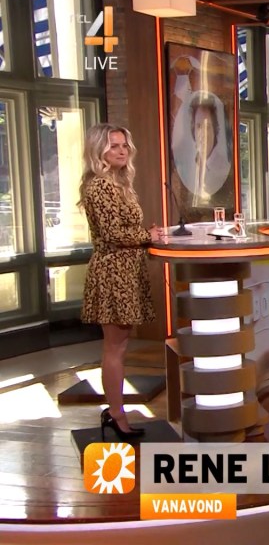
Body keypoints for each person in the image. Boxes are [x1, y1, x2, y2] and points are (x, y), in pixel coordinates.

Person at [78, 124, 165, 440]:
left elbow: (123, 229)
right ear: (99, 150)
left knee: (120, 346)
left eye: (124, 145)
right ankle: (116, 414)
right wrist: (147, 235)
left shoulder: (120, 183)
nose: (121, 150)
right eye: (113, 145)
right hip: (113, 274)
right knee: (114, 347)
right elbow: (113, 234)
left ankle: (115, 411)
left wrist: (146, 236)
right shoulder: (100, 186)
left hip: (127, 271)